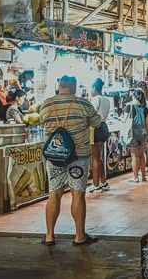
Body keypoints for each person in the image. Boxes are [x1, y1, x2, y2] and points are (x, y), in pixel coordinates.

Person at [40, 75, 102, 246]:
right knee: (78, 194)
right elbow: (97, 123)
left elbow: (42, 123)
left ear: (59, 86)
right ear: (74, 86)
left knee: (54, 193)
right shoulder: (83, 104)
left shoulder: (46, 104)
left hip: (54, 157)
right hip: (78, 157)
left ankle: (49, 236)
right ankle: (79, 236)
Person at [88, 79, 112, 193]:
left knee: (95, 158)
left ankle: (95, 184)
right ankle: (103, 182)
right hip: (104, 127)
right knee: (99, 157)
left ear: (94, 88)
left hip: (95, 128)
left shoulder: (95, 99)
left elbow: (91, 114)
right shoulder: (106, 99)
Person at [124, 89, 148, 183]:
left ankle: (135, 177)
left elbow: (125, 120)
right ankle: (143, 176)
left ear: (134, 97)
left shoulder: (129, 107)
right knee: (142, 155)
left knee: (134, 156)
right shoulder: (146, 109)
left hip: (133, 133)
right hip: (143, 133)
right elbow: (147, 124)